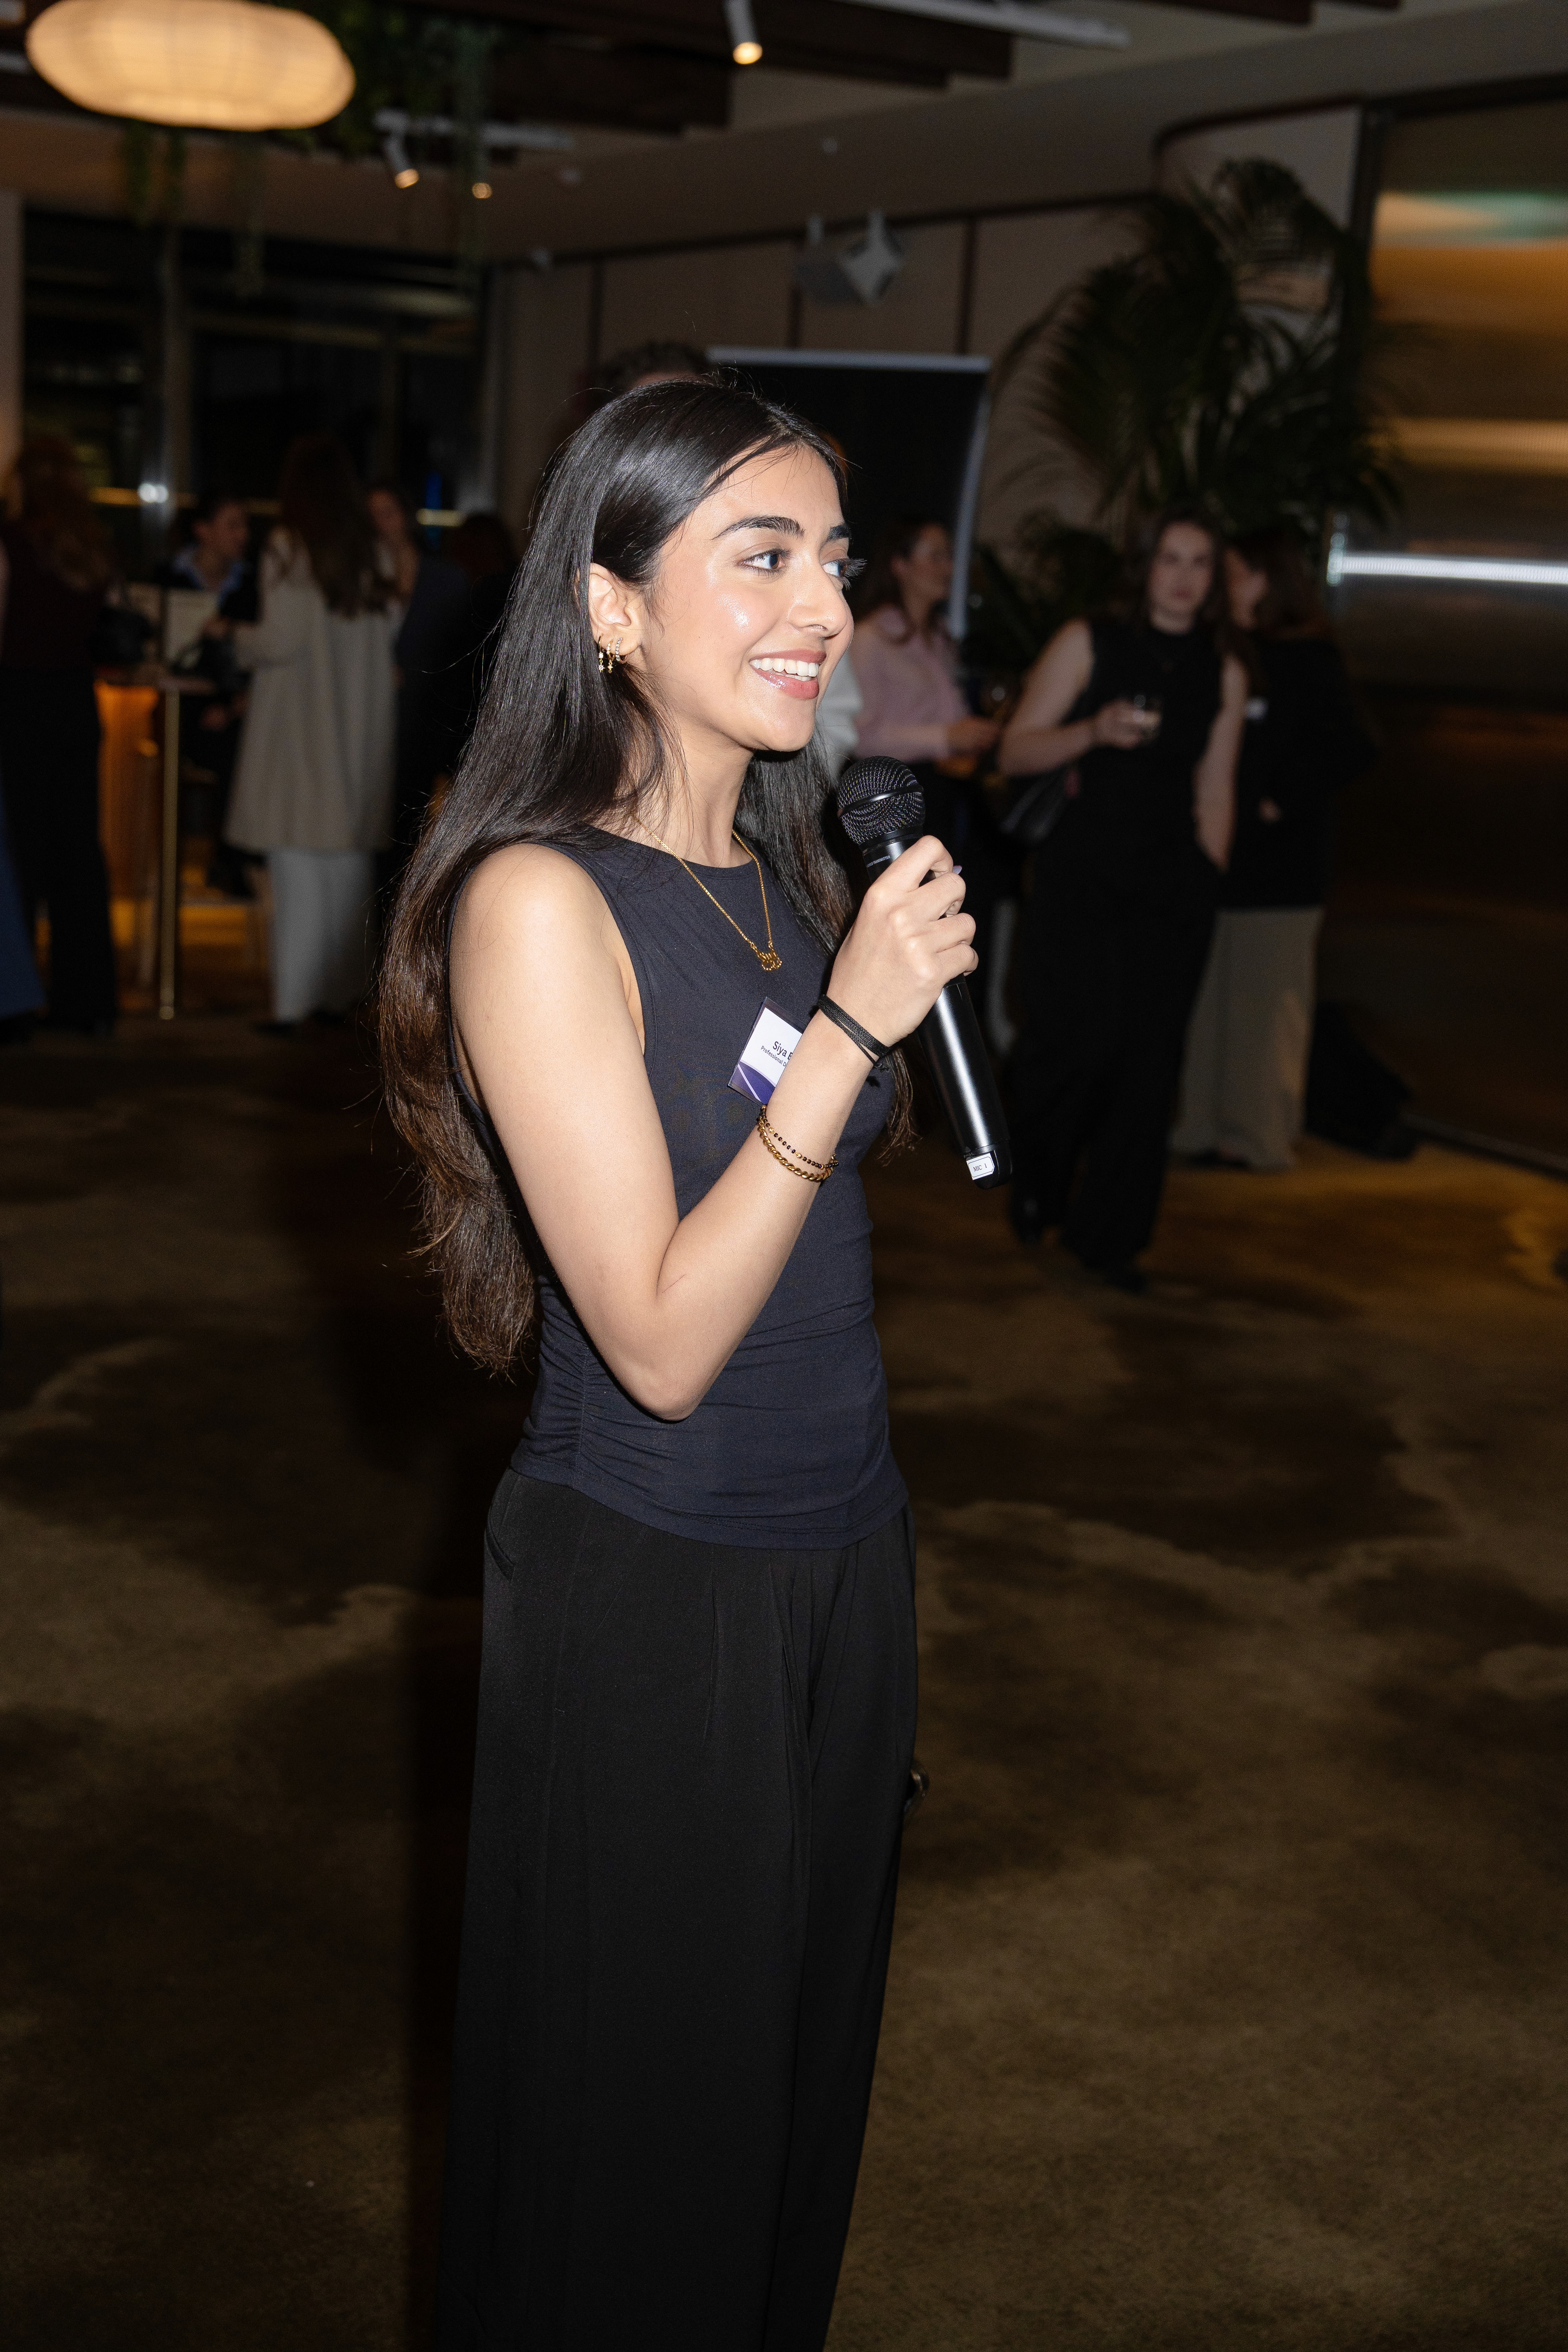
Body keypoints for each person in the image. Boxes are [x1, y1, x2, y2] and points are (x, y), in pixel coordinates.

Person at [378, 377, 975, 2348]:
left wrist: (848, 1002)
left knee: (791, 2112)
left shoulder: (784, 875)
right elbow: (648, 1330)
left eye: (830, 555)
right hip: (661, 1586)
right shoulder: (537, 901)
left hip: (836, 1557)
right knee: (640, 2146)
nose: (821, 600)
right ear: (615, 606)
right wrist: (845, 1038)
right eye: (759, 555)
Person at [999, 503, 1247, 1290]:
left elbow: (1216, 786)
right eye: (1170, 560)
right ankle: (1034, 1181)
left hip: (1172, 886)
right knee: (1073, 1045)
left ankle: (1111, 1238)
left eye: (1199, 564)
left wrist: (1209, 873)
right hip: (1082, 876)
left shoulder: (1224, 669)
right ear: (1144, 568)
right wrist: (1092, 732)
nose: (1182, 579)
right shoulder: (1088, 642)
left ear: (1212, 580)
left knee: (1147, 1065)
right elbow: (1014, 747)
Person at [1173, 525, 1377, 1170]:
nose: (1222, 587)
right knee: (1205, 1002)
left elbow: (1352, 748)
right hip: (1222, 862)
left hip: (1283, 869)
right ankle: (1194, 1127)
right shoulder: (1224, 654)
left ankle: (1257, 1137)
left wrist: (1278, 799)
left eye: (1235, 573)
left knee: (1266, 1008)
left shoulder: (1308, 658)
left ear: (1270, 579)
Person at [221, 434, 396, 1031]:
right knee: (345, 872)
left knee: (295, 869)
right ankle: (341, 995)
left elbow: (280, 639)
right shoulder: (373, 551)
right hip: (356, 735)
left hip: (301, 733)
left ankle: (293, 1003)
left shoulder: (289, 547)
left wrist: (233, 638)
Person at [850, 514, 1009, 985]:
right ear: (900, 565)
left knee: (966, 918)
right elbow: (860, 735)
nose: (948, 567)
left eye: (948, 556)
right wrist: (947, 737)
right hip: (901, 799)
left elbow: (954, 716)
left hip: (951, 793)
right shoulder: (871, 639)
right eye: (935, 555)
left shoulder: (940, 640)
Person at [0, 435, 118, 1035]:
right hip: (75, 703)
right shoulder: (91, 548)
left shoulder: (15, 542)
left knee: (19, 852)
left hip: (19, 702)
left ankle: (16, 1004)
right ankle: (88, 1002)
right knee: (78, 852)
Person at [157, 488, 258, 897]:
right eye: (231, 524)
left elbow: (252, 661)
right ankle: (229, 862)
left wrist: (233, 705)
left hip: (236, 708)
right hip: (181, 703)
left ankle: (235, 861)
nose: (243, 535)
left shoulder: (253, 585)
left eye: (245, 525)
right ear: (202, 530)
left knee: (247, 743)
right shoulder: (168, 578)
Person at [368, 481, 468, 876]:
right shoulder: (360, 582)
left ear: (406, 518)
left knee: (411, 828)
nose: (379, 525)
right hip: (372, 720)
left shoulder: (445, 580)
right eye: (371, 517)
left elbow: (459, 656)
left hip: (425, 720)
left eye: (387, 514)